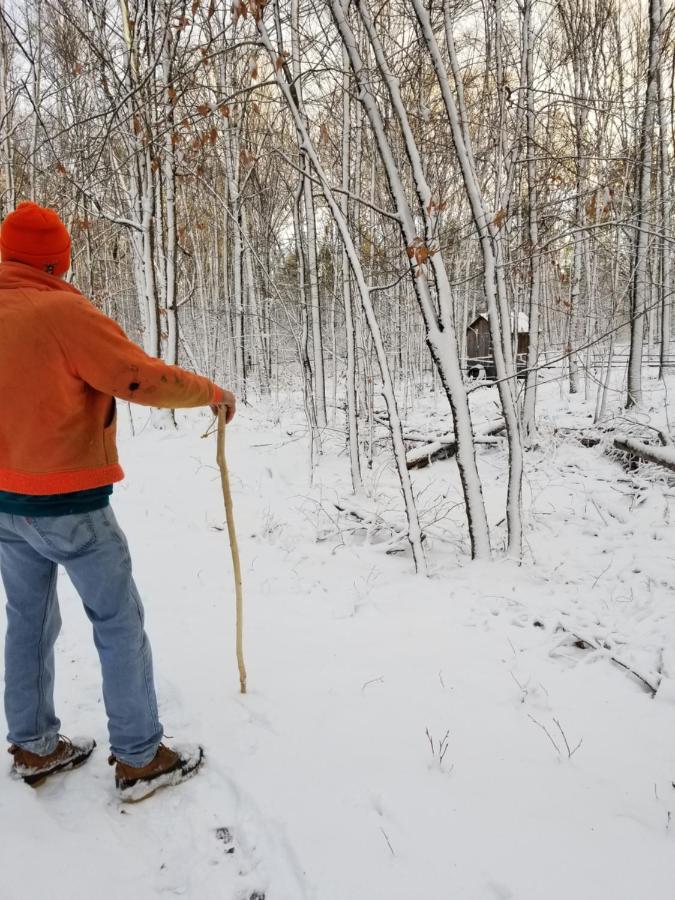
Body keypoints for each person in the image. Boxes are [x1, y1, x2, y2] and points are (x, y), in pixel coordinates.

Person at [0, 201, 235, 801]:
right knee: (117, 619)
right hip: (68, 502)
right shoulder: (60, 310)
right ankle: (138, 756)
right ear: (57, 259)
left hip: (5, 504)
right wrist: (208, 392)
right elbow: (136, 375)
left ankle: (32, 745)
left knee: (28, 620)